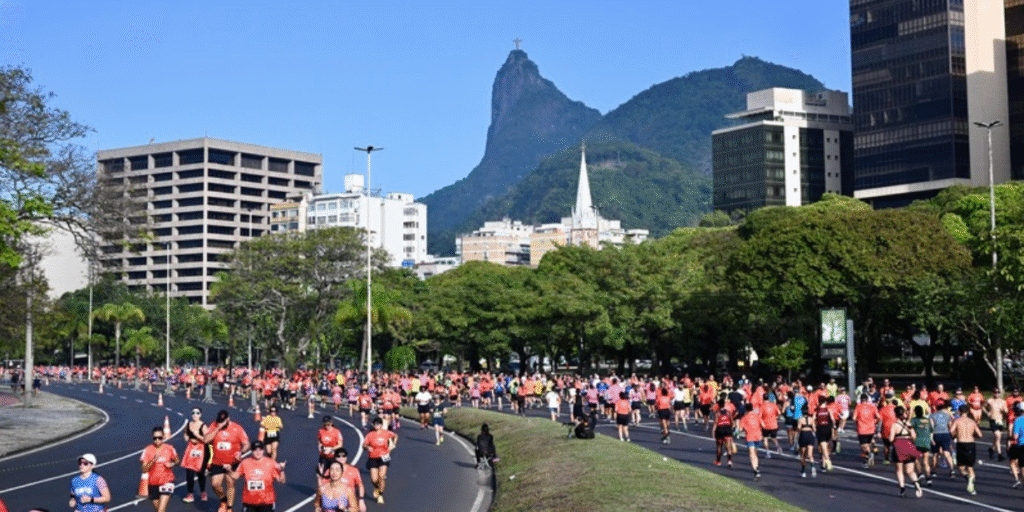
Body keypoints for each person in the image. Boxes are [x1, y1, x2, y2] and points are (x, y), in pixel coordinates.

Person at [204, 409, 251, 512]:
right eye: (219, 421)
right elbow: (206, 440)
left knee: (230, 483)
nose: (221, 423)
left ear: (228, 419)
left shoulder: (237, 428)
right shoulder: (214, 425)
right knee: (215, 484)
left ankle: (229, 507)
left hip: (232, 461)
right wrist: (217, 428)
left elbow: (246, 444)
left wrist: (241, 452)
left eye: (223, 422)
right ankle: (223, 500)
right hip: (217, 462)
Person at [229, 441, 285, 512]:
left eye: (260, 449)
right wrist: (229, 470)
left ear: (263, 450)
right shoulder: (245, 463)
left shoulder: (271, 463)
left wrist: (282, 471)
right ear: (252, 451)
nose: (258, 452)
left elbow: (282, 481)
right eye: (255, 450)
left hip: (266, 503)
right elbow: (235, 476)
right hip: (249, 502)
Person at [141, 425, 179, 512]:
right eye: (155, 438)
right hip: (153, 483)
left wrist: (172, 464)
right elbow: (144, 469)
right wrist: (153, 460)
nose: (157, 440)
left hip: (167, 481)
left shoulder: (169, 448)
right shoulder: (147, 450)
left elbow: (177, 461)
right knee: (158, 510)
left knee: (160, 510)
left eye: (159, 438)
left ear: (163, 437)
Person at [889, 406, 923, 498]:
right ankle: (916, 483)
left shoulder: (895, 425)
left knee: (899, 470)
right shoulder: (908, 424)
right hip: (909, 445)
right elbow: (914, 437)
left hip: (899, 446)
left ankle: (902, 490)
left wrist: (893, 440)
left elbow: (891, 438)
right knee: (910, 471)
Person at [363, 417, 398, 504]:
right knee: (374, 479)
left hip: (383, 457)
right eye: (375, 424)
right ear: (373, 425)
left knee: (382, 476)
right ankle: (376, 487)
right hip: (373, 457)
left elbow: (395, 436)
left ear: (381, 425)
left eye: (378, 424)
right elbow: (363, 445)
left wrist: (392, 445)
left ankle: (380, 495)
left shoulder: (386, 433)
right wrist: (367, 447)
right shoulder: (370, 435)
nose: (377, 426)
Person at [950, 403, 983, 495]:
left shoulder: (957, 421)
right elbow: (980, 434)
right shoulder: (972, 422)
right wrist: (972, 434)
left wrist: (955, 435)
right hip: (971, 444)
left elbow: (951, 431)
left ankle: (969, 479)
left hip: (961, 443)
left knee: (960, 467)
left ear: (959, 411)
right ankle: (971, 482)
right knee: (970, 466)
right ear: (968, 412)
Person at [181, 408, 210, 503]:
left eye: (197, 413)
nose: (195, 414)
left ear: (200, 415)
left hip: (201, 450)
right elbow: (185, 433)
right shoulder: (189, 424)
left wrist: (197, 436)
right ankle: (190, 494)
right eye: (193, 412)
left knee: (200, 474)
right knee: (189, 472)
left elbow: (207, 440)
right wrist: (187, 437)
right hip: (191, 449)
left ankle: (203, 491)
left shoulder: (203, 426)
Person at [852, 394, 880, 468]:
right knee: (868, 443)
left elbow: (854, 418)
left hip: (862, 429)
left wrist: (857, 422)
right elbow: (878, 417)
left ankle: (867, 457)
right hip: (871, 428)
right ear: (867, 400)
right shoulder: (873, 406)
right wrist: (875, 422)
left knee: (863, 445)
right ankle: (872, 448)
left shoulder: (858, 407)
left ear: (861, 400)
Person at [910, 405, 934, 487]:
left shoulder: (913, 420)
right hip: (926, 442)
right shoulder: (927, 420)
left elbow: (909, 428)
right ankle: (929, 478)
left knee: (916, 459)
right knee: (926, 461)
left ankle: (920, 473)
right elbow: (931, 430)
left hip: (917, 442)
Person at [740, 403, 764, 480]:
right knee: (755, 454)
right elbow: (763, 425)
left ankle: (755, 470)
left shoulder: (744, 418)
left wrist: (744, 429)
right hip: (758, 436)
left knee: (752, 454)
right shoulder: (757, 416)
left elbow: (740, 428)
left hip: (750, 436)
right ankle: (756, 469)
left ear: (746, 409)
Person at [985, 388, 1009, 461]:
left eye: (998, 392)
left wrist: (1004, 410)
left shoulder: (1003, 401)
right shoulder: (990, 400)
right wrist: (987, 413)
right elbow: (983, 407)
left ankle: (992, 449)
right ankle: (999, 454)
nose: (997, 394)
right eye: (995, 392)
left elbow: (1006, 410)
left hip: (1000, 421)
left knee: (998, 438)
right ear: (993, 393)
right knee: (998, 436)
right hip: (993, 420)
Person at [796, 404, 817, 478]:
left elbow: (798, 428)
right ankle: (813, 467)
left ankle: (803, 471)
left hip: (803, 435)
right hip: (810, 435)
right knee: (810, 454)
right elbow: (814, 429)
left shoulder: (800, 419)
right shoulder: (811, 419)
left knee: (803, 455)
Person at [713, 399, 734, 468]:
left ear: (718, 405)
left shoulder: (718, 413)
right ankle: (729, 461)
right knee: (728, 447)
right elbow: (731, 421)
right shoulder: (728, 412)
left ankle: (718, 461)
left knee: (719, 446)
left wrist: (713, 431)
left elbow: (716, 423)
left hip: (720, 429)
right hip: (727, 429)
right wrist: (731, 427)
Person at [1009, 402, 1024, 488]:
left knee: (1020, 466)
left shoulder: (1018, 420)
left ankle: (1018, 479)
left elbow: (1015, 436)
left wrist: (1010, 439)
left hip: (1021, 445)